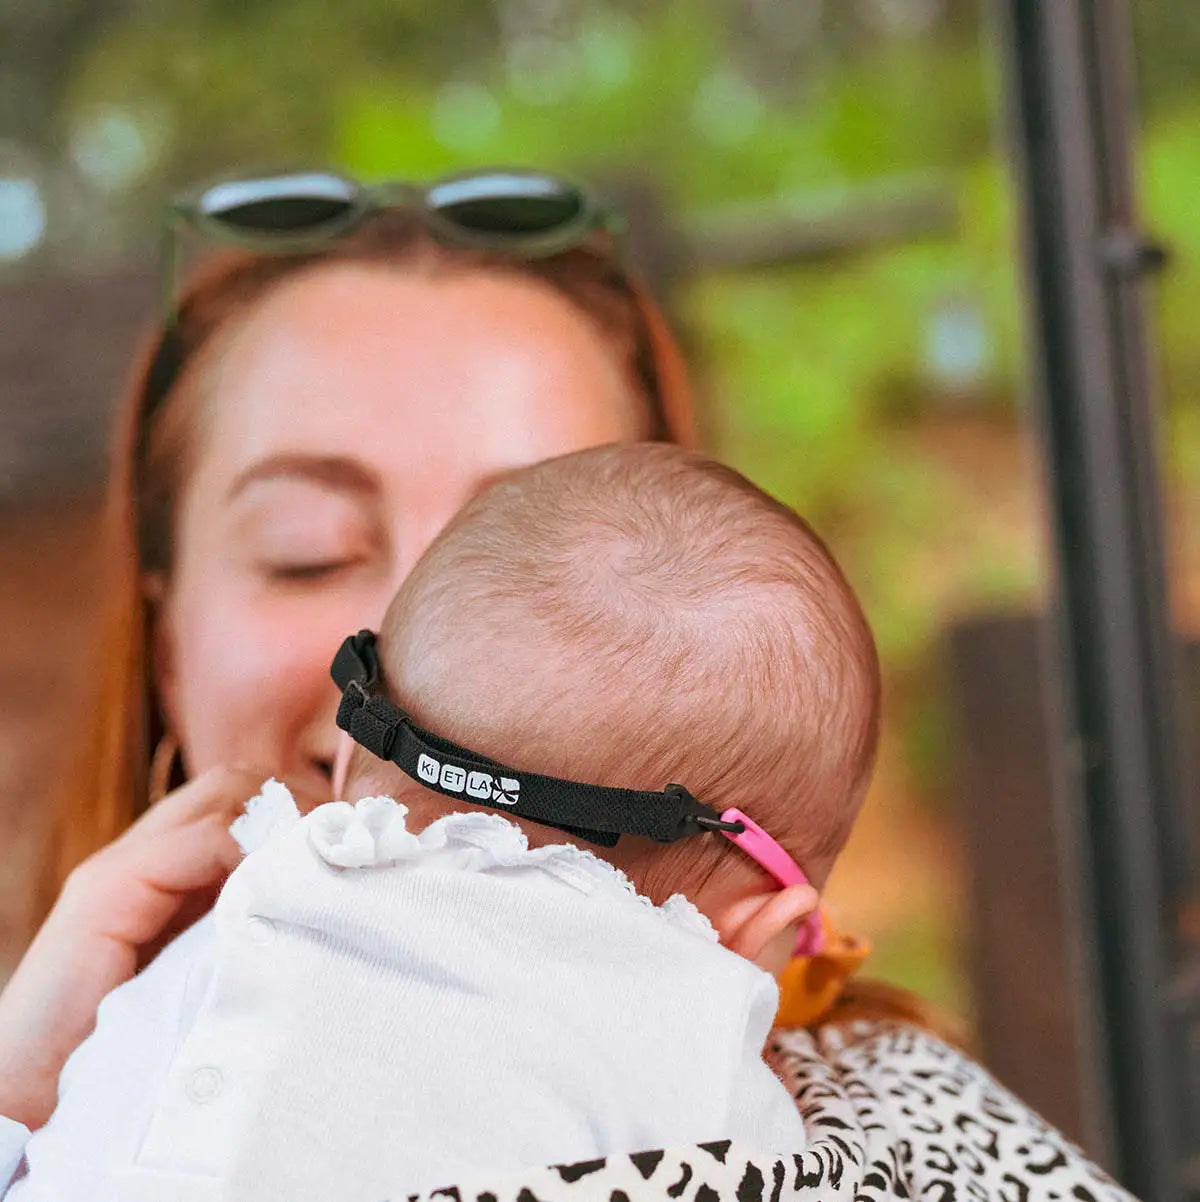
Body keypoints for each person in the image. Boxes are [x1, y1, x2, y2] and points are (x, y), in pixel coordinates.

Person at [0, 169, 1134, 1201]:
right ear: (163, 643)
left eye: (524, 556)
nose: (409, 624)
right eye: (309, 548)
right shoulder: (45, 1071)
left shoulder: (886, 1137)